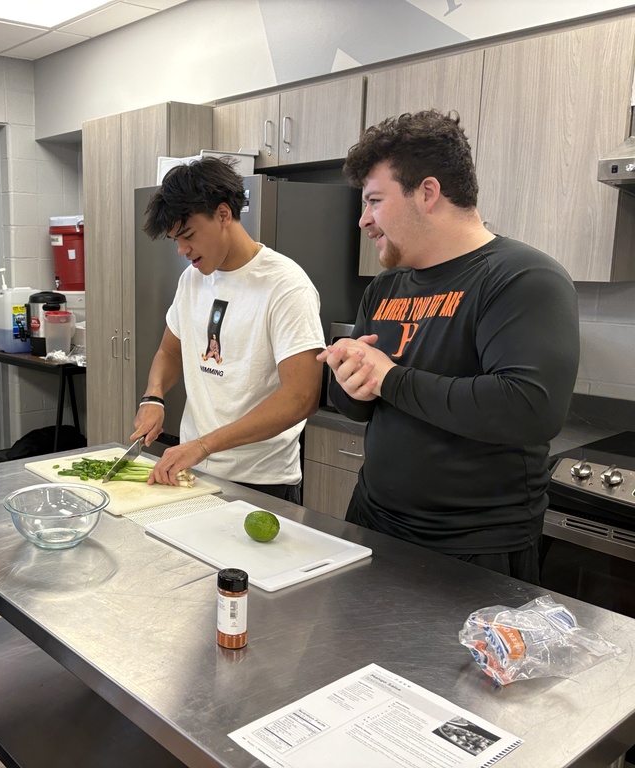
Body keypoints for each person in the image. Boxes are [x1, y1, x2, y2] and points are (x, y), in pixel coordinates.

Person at [318, 110, 579, 582]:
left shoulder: (522, 277)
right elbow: (357, 408)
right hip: (372, 521)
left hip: (472, 549)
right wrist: (350, 382)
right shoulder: (387, 287)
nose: (363, 220)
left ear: (428, 192)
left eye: (375, 201)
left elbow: (529, 408)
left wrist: (389, 377)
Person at [132, 156, 324, 502]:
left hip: (261, 481)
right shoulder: (192, 279)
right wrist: (154, 397)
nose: (182, 249)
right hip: (195, 470)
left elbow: (301, 397)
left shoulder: (285, 286)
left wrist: (204, 445)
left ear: (223, 215)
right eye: (176, 239)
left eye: (188, 235)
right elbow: (169, 350)